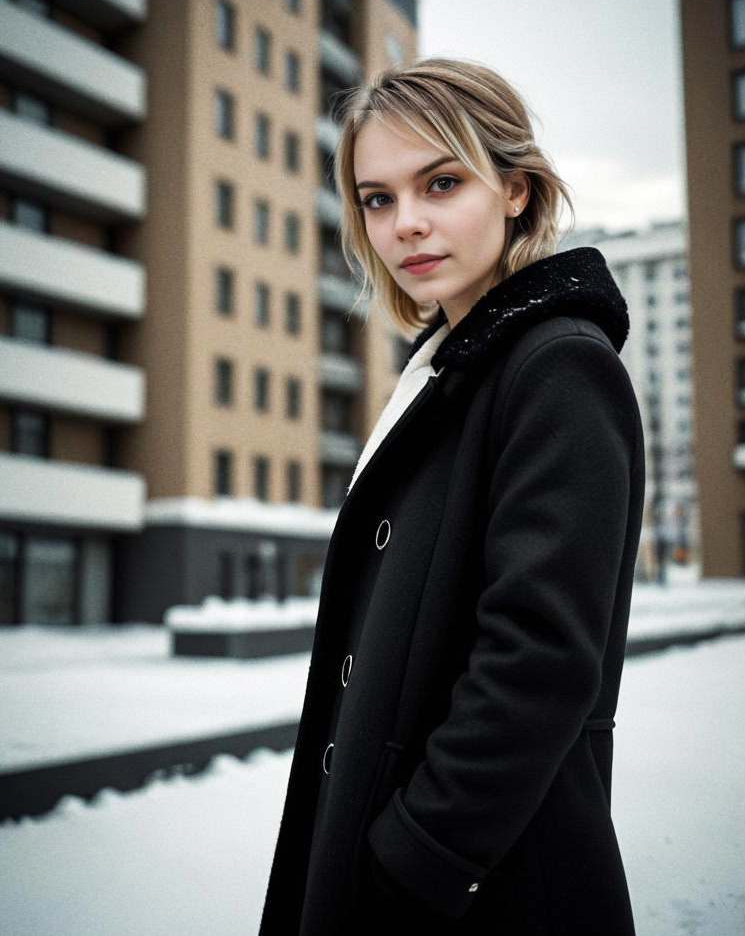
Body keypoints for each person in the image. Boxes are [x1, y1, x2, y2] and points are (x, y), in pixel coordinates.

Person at [259, 57, 645, 936]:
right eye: (377, 198)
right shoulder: (450, 369)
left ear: (514, 189)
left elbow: (540, 654)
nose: (407, 224)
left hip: (487, 886)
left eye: (440, 181)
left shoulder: (555, 368)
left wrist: (419, 853)